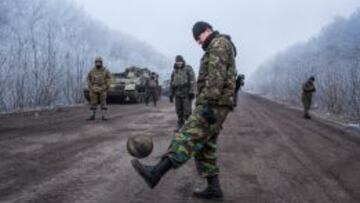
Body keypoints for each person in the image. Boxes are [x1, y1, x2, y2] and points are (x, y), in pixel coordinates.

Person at [131, 21, 237, 200]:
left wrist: (209, 104)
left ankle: (156, 173)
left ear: (207, 30)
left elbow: (216, 77)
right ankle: (214, 188)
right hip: (218, 104)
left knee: (186, 136)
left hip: (213, 105)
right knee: (205, 147)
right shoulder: (219, 45)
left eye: (199, 37)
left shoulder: (218, 44)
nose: (198, 42)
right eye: (196, 39)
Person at [169, 55, 196, 132]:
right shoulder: (174, 71)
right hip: (177, 93)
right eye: (177, 62)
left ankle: (189, 126)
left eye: (180, 62)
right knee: (179, 110)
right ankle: (180, 124)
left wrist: (192, 92)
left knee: (187, 111)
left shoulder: (188, 69)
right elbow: (171, 83)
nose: (179, 64)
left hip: (186, 93)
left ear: (183, 61)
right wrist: (171, 94)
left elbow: (192, 81)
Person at [86, 56, 111, 120]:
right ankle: (92, 115)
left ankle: (104, 116)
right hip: (94, 88)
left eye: (99, 62)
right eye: (97, 62)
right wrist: (90, 86)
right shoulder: (92, 71)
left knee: (103, 102)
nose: (98, 63)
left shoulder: (105, 70)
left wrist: (106, 86)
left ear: (101, 63)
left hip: (102, 88)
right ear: (95, 62)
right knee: (93, 102)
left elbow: (109, 78)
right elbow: (88, 78)